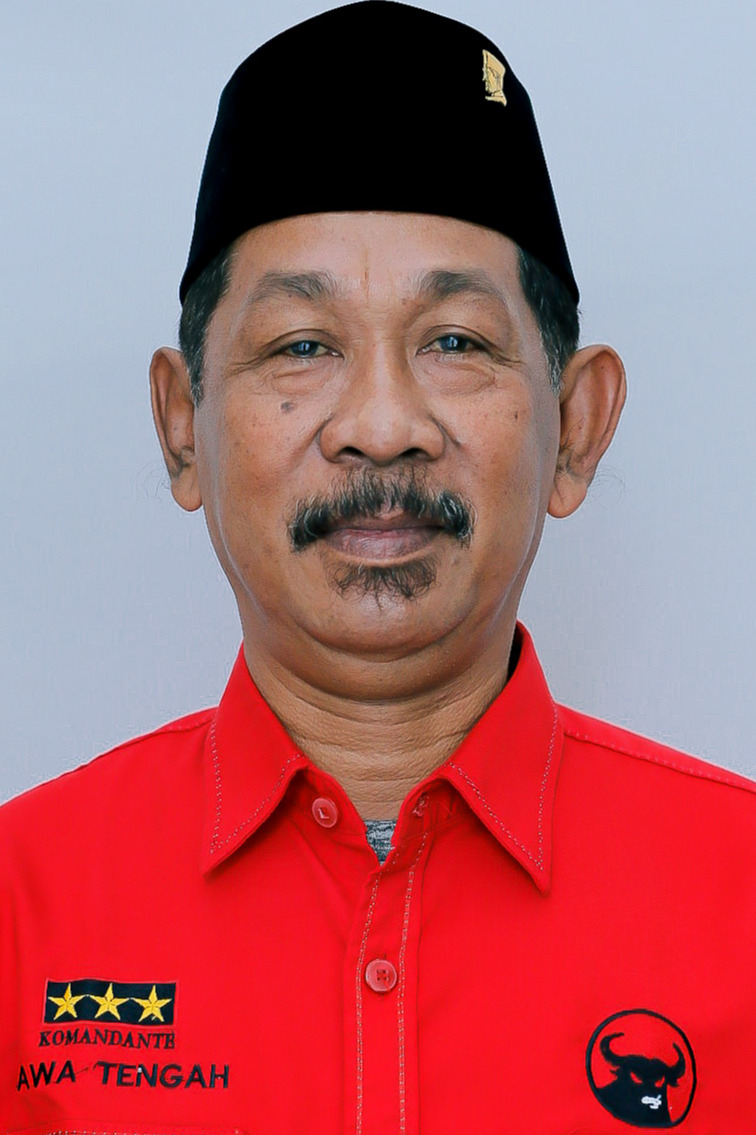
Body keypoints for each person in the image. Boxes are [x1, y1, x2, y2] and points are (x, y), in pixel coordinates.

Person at [2, 2, 755, 1131]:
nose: (383, 426)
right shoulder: (23, 911)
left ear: (577, 426)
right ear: (181, 426)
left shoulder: (740, 902)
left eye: (455, 341)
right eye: (301, 345)